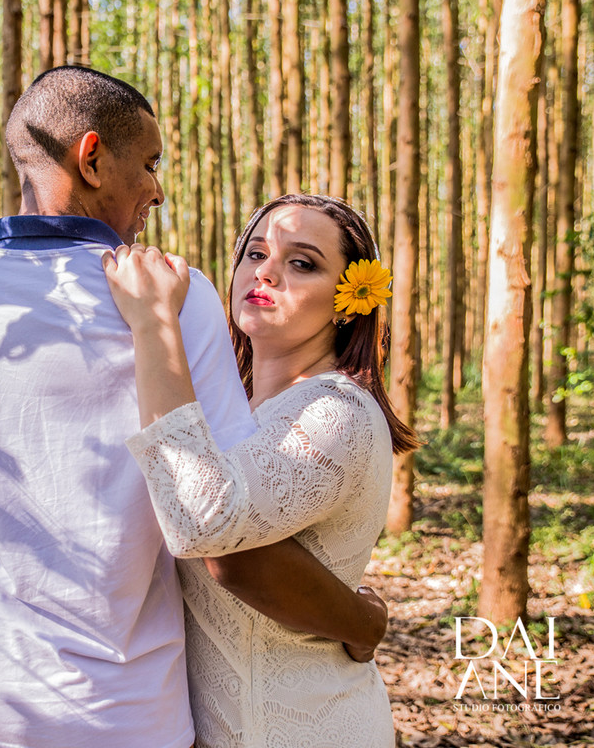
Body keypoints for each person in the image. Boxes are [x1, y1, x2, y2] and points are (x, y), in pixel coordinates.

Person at [0, 69, 385, 748]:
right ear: (91, 158)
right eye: (149, 163)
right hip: (127, 722)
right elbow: (227, 542)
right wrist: (364, 622)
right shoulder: (178, 298)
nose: (158, 189)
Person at [103, 193, 418, 747]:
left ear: (348, 302)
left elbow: (205, 522)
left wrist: (154, 321)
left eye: (302, 263)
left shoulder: (336, 412)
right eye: (255, 253)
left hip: (305, 729)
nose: (266, 272)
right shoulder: (233, 408)